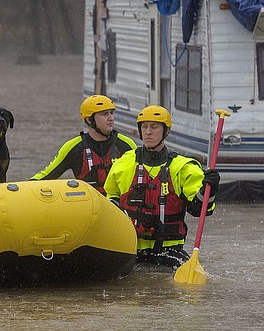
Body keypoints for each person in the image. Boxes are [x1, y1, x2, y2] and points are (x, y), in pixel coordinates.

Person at [103, 105, 220, 268]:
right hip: (130, 250)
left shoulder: (183, 167)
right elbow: (111, 204)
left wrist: (210, 189)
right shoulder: (124, 163)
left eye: (154, 127)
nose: (148, 132)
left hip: (170, 252)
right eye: (144, 127)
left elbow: (200, 210)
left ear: (166, 131)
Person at [30, 95, 136, 195]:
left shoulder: (127, 145)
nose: (111, 118)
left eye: (111, 113)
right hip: (90, 208)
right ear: (89, 120)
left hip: (118, 209)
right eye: (104, 114)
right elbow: (46, 175)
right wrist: (21, 189)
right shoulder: (73, 147)